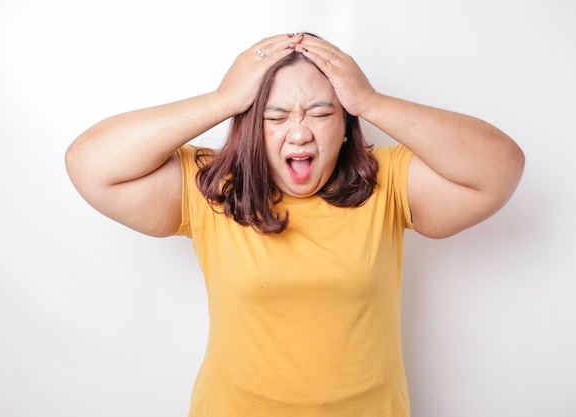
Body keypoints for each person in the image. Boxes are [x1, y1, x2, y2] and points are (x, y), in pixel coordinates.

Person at [65, 33, 524, 417]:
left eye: (322, 113)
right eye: (276, 116)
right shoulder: (210, 187)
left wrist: (371, 101)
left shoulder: (388, 182)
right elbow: (89, 163)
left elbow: (499, 168)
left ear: (346, 125)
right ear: (250, 126)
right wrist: (221, 100)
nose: (300, 132)